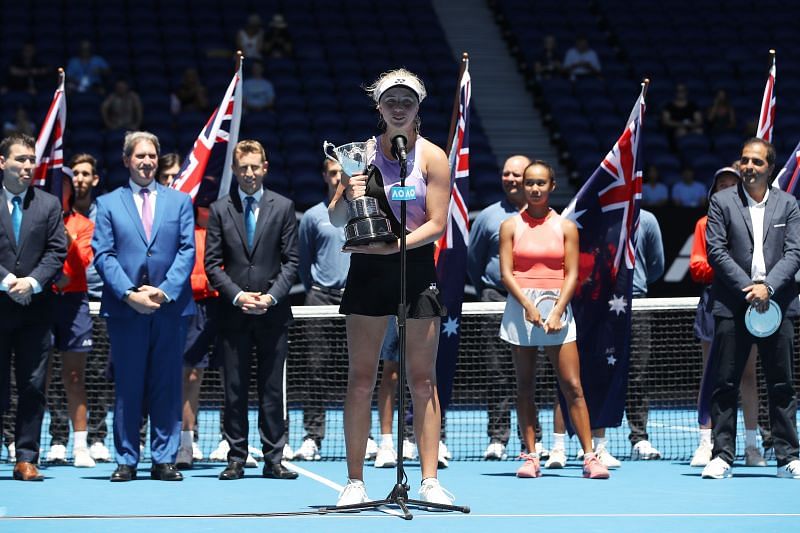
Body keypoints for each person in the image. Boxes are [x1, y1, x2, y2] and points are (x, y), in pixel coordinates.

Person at [329, 69, 455, 507]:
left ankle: (428, 481)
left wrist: (397, 247)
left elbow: (438, 224)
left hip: (415, 268)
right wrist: (347, 190)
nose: (399, 107)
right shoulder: (359, 154)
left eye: (407, 100)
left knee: (423, 381)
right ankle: (355, 482)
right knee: (362, 379)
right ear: (379, 107)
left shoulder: (433, 157)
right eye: (390, 100)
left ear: (418, 106)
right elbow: (336, 221)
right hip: (367, 268)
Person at [92, 131, 196, 482]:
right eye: (140, 156)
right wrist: (129, 293)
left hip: (170, 308)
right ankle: (126, 458)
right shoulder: (107, 204)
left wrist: (164, 292)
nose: (147, 161)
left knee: (167, 385)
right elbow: (103, 255)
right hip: (126, 310)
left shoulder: (180, 202)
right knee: (128, 385)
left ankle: (163, 459)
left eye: (152, 155)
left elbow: (186, 251)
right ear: (126, 161)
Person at [498, 160, 609, 480]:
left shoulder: (566, 227)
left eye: (540, 183)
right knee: (525, 387)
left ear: (552, 187)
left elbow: (572, 273)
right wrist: (528, 308)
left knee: (573, 386)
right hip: (521, 309)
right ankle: (531, 455)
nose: (534, 188)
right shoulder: (509, 227)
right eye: (529, 182)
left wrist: (557, 310)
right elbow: (507, 272)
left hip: (559, 307)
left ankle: (590, 457)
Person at [702, 138, 800, 479]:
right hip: (733, 304)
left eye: (757, 162)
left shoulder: (788, 205)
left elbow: (794, 253)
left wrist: (768, 287)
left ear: (770, 168)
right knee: (725, 382)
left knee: (781, 383)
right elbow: (716, 250)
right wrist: (750, 288)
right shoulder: (721, 202)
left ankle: (788, 456)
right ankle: (722, 456)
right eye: (744, 160)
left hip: (779, 305)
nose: (749, 167)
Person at [205, 139, 299, 481]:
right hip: (233, 315)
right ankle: (236, 456)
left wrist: (270, 297)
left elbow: (292, 262)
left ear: (265, 168)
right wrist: (238, 296)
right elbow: (213, 264)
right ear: (234, 169)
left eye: (254, 167)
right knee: (234, 389)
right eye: (243, 167)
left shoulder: (284, 207)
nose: (249, 173)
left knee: (273, 390)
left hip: (273, 315)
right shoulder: (219, 209)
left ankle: (274, 457)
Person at [467, 155, 545, 461]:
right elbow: (474, 262)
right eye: (506, 174)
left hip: (535, 303)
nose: (511, 179)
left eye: (518, 174)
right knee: (497, 372)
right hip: (494, 299)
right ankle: (498, 438)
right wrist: (491, 289)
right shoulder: (487, 217)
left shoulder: (545, 216)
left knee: (532, 375)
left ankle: (533, 439)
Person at [0, 133, 68, 480]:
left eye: (31, 160)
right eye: (20, 159)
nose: (27, 166)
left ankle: (26, 457)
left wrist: (32, 282)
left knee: (32, 385)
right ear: (2, 163)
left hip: (36, 309)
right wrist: (7, 281)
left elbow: (58, 250)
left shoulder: (49, 204)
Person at [689, 165, 766, 468]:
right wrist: (729, 268)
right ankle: (705, 443)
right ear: (713, 191)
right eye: (721, 185)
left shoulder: (754, 223)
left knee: (748, 374)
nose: (726, 189)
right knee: (711, 372)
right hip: (714, 302)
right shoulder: (704, 224)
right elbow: (697, 267)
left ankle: (751, 446)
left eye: (732, 185)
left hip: (748, 303)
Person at [585, 209, 665, 466]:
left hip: (637, 304)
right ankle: (597, 444)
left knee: (637, 375)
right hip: (602, 306)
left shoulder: (649, 220)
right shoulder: (596, 217)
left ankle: (639, 439)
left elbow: (656, 265)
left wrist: (635, 282)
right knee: (599, 373)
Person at [294, 158, 350, 461]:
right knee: (316, 370)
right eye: (332, 173)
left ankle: (362, 437)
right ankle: (312, 436)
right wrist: (317, 288)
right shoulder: (313, 217)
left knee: (357, 371)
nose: (336, 178)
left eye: (342, 173)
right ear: (325, 176)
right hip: (319, 299)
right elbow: (304, 262)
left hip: (355, 299)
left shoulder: (361, 213)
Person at [46, 174, 96, 468]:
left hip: (75, 303)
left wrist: (64, 235)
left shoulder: (84, 225)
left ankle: (80, 446)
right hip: (43, 301)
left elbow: (82, 264)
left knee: (74, 377)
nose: (60, 189)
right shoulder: (36, 220)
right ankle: (50, 443)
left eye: (64, 185)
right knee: (40, 377)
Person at [68, 153, 111, 462]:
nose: (80, 179)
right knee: (65, 373)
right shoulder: (59, 215)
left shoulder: (105, 214)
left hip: (101, 301)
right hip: (69, 300)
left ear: (95, 179)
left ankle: (98, 436)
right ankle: (60, 438)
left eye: (86, 174)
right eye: (76, 174)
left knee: (99, 372)